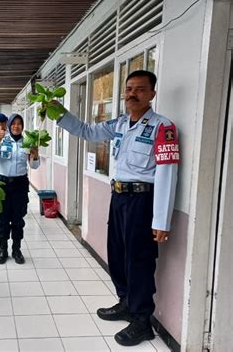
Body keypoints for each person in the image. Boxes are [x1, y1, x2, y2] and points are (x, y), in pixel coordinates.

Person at [56, 70, 179, 346]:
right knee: (118, 254)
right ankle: (125, 301)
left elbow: (167, 174)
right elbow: (86, 131)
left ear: (152, 94)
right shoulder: (121, 124)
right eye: (129, 89)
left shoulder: (162, 127)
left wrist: (161, 220)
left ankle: (142, 320)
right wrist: (58, 112)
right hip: (120, 198)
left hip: (142, 201)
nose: (132, 94)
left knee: (139, 260)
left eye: (140, 89)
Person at [0, 113, 40, 264]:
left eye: (19, 123)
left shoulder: (28, 142)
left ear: (22, 126)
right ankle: (2, 249)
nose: (16, 126)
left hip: (20, 185)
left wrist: (35, 155)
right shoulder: (2, 139)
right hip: (2, 184)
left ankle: (16, 250)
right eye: (13, 123)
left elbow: (34, 166)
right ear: (9, 125)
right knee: (3, 219)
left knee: (18, 219)